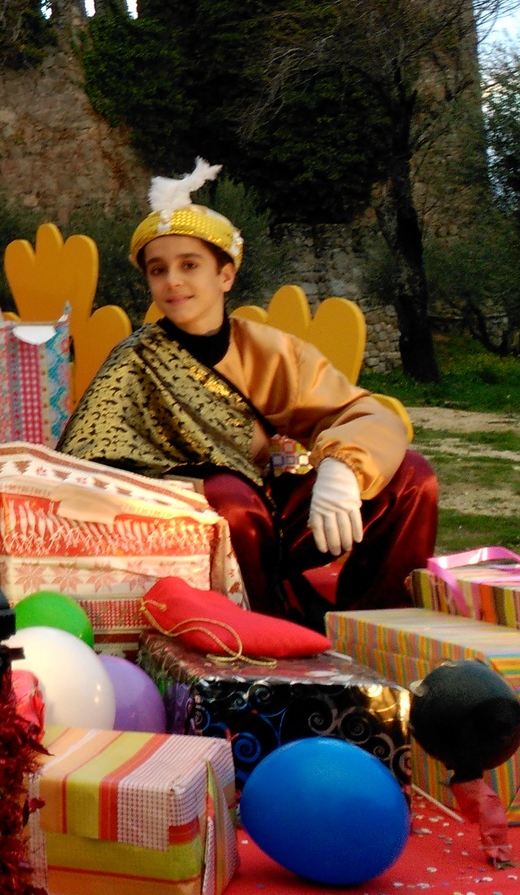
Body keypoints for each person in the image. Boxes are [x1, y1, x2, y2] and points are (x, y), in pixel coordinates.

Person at [59, 159, 438, 630]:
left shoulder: (268, 351)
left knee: (412, 476)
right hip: (191, 529)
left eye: (189, 265)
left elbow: (363, 413)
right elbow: (89, 462)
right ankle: (267, 631)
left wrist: (342, 468)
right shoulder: (132, 362)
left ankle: (377, 626)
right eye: (158, 270)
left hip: (273, 514)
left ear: (226, 276)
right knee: (231, 498)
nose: (172, 280)